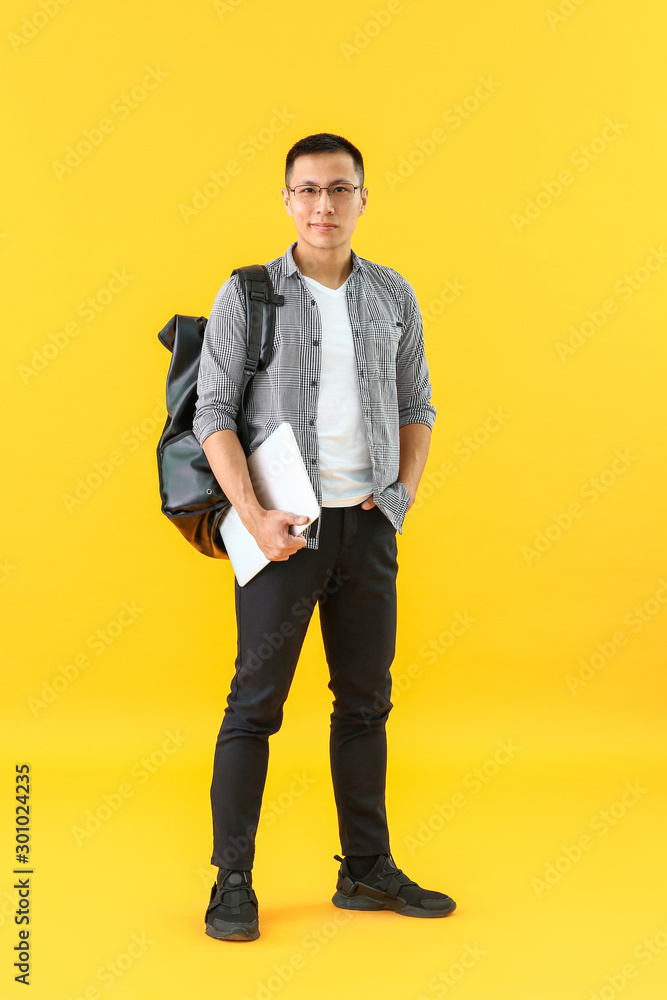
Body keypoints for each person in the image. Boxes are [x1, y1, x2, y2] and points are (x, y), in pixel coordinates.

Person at [193, 132, 456, 941]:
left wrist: (400, 496)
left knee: (365, 705)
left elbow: (419, 405)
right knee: (253, 707)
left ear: (362, 200)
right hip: (284, 534)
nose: (322, 206)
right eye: (306, 191)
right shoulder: (248, 293)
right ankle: (231, 881)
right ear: (286, 201)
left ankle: (365, 870)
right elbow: (211, 415)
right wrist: (252, 514)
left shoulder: (392, 295)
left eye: (338, 190)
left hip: (367, 531)